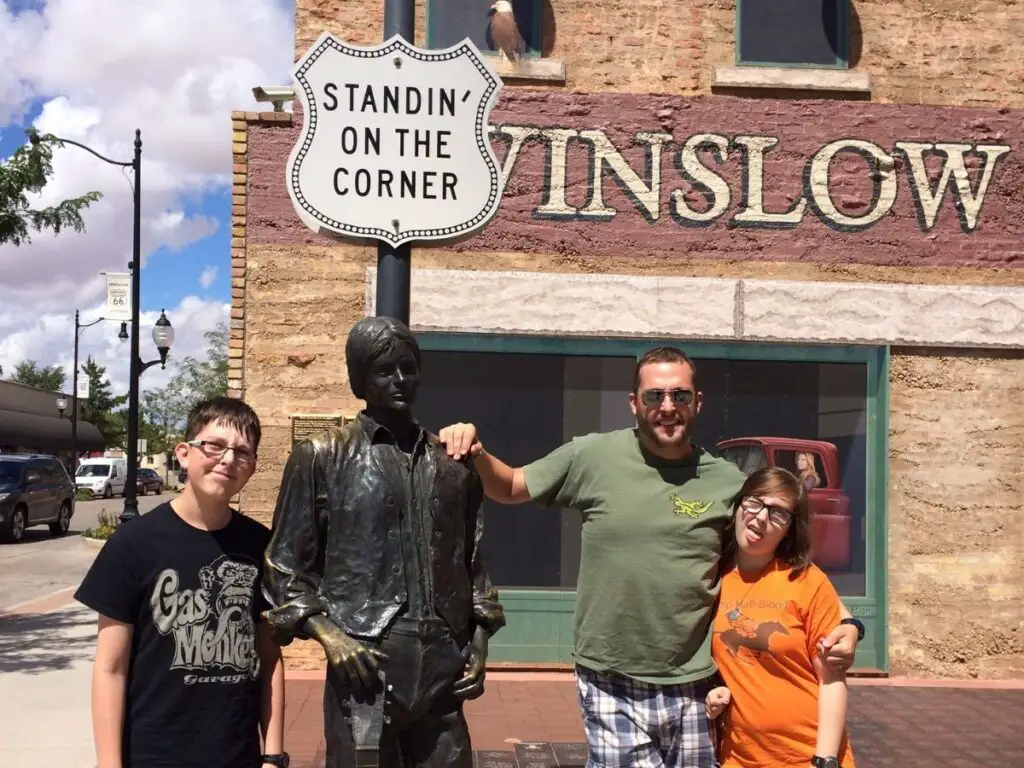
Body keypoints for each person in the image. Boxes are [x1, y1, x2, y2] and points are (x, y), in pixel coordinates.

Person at [439, 346, 863, 768]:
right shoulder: (592, 456)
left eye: (679, 395)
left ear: (697, 402)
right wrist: (475, 451)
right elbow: (511, 485)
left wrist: (847, 622)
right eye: (653, 396)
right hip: (611, 678)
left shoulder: (726, 482)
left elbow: (780, 556)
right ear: (633, 403)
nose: (667, 407)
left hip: (695, 683)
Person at [261, 316, 505, 768]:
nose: (399, 380)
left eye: (408, 368)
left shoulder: (453, 465)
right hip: (365, 664)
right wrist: (329, 635)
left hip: (442, 667)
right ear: (359, 378)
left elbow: (472, 562)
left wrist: (480, 639)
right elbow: (284, 568)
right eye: (384, 370)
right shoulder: (322, 456)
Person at [73, 396, 287, 768]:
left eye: (242, 452)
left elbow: (269, 661)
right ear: (184, 453)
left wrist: (274, 756)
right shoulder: (133, 544)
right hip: (152, 754)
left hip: (236, 754)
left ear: (251, 468)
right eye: (215, 446)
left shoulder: (260, 546)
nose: (227, 459)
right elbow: (110, 668)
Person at [704, 467, 855, 768]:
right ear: (738, 507)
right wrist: (712, 692)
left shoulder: (807, 581)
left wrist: (824, 759)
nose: (761, 517)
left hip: (804, 756)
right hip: (738, 758)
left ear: (789, 528)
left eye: (778, 513)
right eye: (755, 502)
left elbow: (832, 679)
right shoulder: (711, 581)